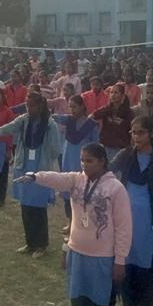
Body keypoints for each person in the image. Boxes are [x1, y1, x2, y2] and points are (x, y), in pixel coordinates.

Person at [18, 144, 131, 306]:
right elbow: (57, 178)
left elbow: (124, 227)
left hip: (102, 257)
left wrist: (120, 260)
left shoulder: (116, 189)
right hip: (77, 253)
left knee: (100, 303)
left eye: (89, 161)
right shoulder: (77, 180)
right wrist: (35, 176)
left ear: (102, 161)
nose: (84, 165)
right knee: (79, 301)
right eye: (82, 160)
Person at [109, 116, 153, 306]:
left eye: (141, 132)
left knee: (146, 268)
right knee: (124, 265)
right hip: (124, 219)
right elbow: (106, 170)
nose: (136, 137)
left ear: (151, 133)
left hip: (148, 222)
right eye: (133, 132)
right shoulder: (126, 155)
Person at [0, 91, 63, 259]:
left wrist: (46, 157)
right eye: (27, 105)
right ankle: (30, 243)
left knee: (38, 207)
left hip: (40, 168)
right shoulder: (24, 119)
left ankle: (41, 244)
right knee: (26, 206)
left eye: (32, 106)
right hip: (24, 166)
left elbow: (55, 150)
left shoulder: (49, 124)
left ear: (40, 106)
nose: (29, 109)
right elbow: (11, 126)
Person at [53, 94, 100, 233]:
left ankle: (84, 224)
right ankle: (71, 223)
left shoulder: (91, 125)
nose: (71, 110)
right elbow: (54, 117)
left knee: (83, 196)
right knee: (68, 195)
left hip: (83, 165)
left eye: (74, 107)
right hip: (67, 162)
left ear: (82, 106)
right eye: (70, 107)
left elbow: (95, 146)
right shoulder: (68, 120)